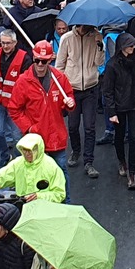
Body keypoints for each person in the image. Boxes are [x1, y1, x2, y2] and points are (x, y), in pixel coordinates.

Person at [9, 43, 75, 198]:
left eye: (44, 61)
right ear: (33, 58)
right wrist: (30, 128)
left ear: (50, 60)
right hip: (35, 141)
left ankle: (66, 205)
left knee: (61, 173)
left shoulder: (59, 78)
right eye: (37, 60)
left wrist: (70, 103)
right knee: (33, 177)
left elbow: (69, 98)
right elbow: (14, 109)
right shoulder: (23, 81)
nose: (40, 64)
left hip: (55, 139)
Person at [55, 25, 105, 178]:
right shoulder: (67, 38)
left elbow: (99, 62)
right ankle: (76, 151)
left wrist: (99, 46)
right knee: (73, 126)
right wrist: (61, 88)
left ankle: (88, 161)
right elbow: (59, 65)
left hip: (91, 88)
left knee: (90, 127)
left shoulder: (96, 37)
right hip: (72, 89)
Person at [102, 32, 135, 190]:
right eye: (130, 45)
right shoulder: (112, 65)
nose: (133, 47)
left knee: (134, 138)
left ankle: (132, 173)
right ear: (122, 47)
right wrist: (112, 112)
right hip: (119, 106)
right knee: (120, 137)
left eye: (133, 45)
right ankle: (122, 161)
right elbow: (107, 91)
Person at [0, 132, 66, 204]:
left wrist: (39, 197)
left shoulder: (51, 166)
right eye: (24, 150)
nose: (27, 153)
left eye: (30, 150)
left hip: (44, 214)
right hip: (22, 210)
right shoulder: (18, 164)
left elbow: (60, 194)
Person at [0, 29, 30, 165]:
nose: (5, 46)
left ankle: (18, 161)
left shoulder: (24, 58)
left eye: (8, 43)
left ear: (15, 42)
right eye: (2, 43)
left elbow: (27, 84)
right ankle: (4, 157)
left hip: (16, 105)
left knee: (17, 136)